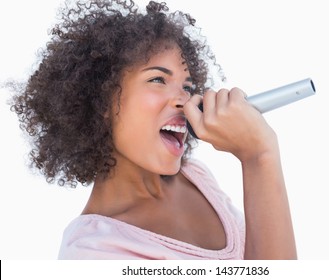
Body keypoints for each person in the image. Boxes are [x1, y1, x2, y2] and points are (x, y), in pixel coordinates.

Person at [10, 0, 296, 260]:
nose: (184, 101)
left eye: (188, 87)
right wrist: (259, 157)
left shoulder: (196, 177)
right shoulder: (92, 252)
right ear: (100, 100)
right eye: (158, 79)